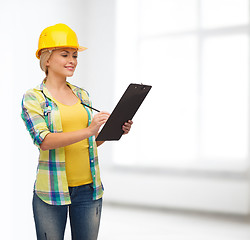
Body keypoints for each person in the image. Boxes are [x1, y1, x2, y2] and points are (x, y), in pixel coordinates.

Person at [21, 23, 133, 240]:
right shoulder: (34, 97)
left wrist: (113, 131)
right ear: (47, 58)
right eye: (65, 55)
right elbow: (44, 140)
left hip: (89, 190)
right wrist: (89, 130)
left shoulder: (82, 95)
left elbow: (89, 142)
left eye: (74, 55)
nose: (72, 60)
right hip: (52, 192)